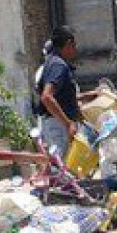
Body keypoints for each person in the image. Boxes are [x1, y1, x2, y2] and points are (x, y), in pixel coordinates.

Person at [35, 26, 95, 159]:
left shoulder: (53, 63)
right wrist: (68, 123)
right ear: (68, 44)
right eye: (74, 46)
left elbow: (62, 97)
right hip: (58, 126)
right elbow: (47, 97)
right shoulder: (58, 65)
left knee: (65, 170)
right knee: (62, 169)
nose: (75, 50)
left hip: (57, 124)